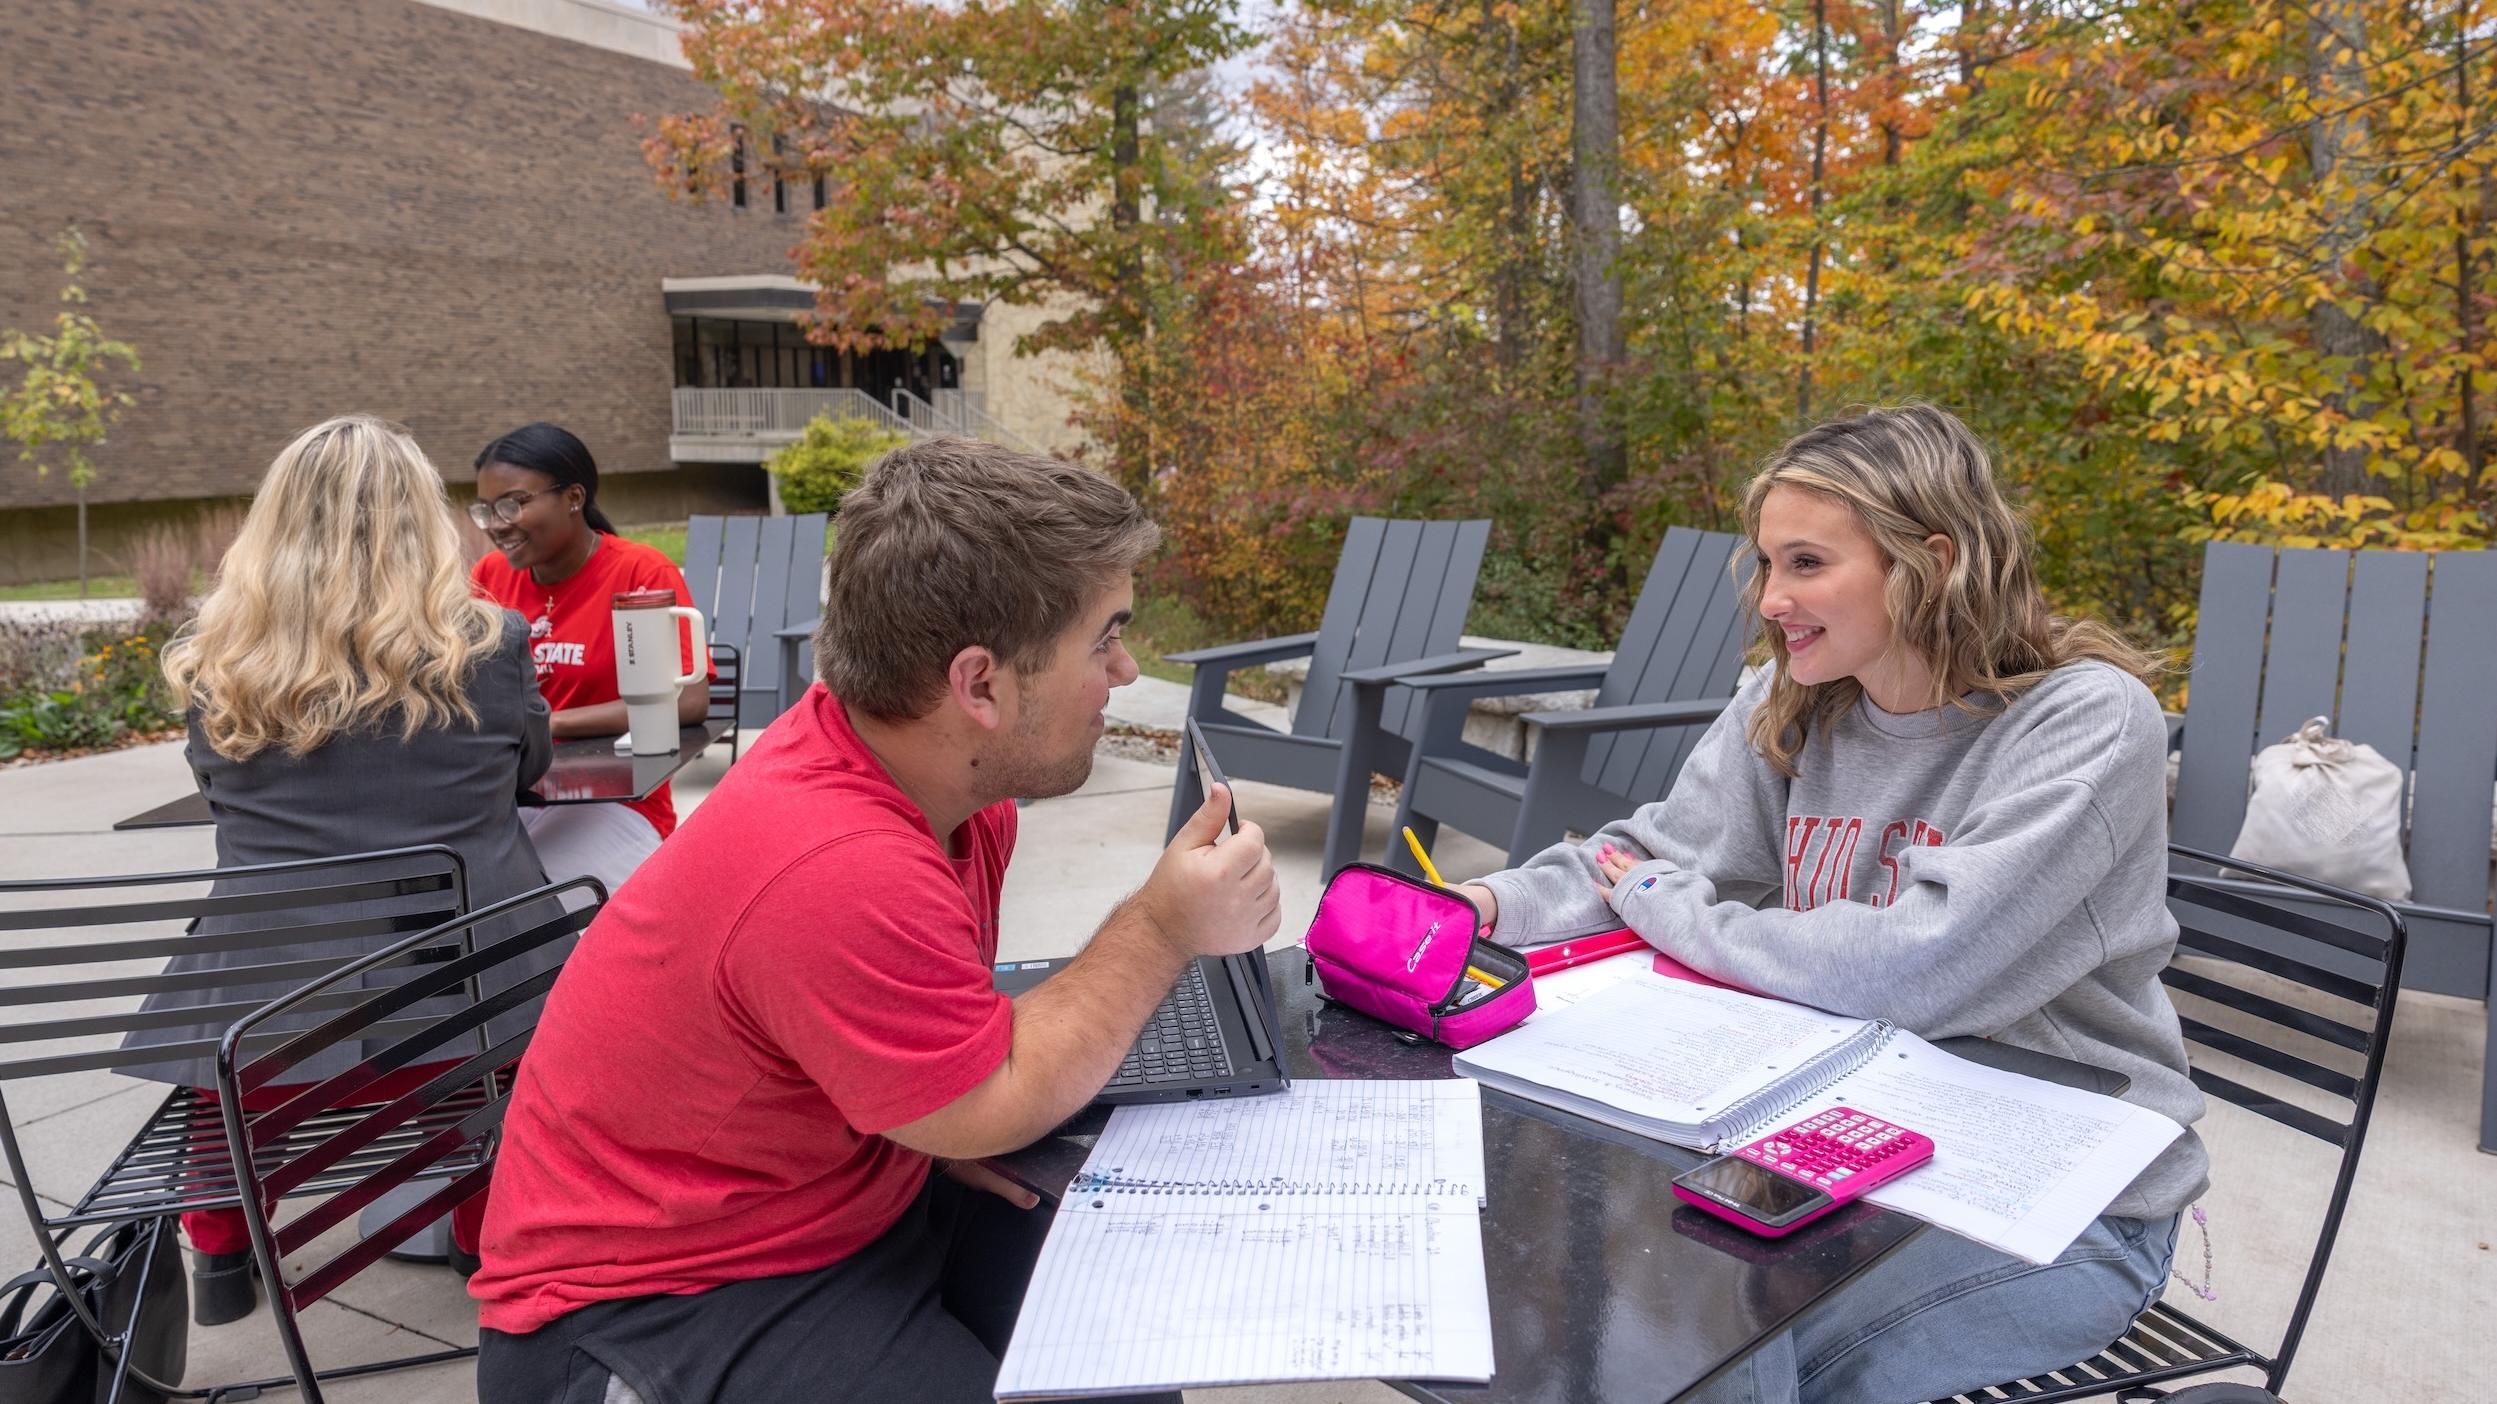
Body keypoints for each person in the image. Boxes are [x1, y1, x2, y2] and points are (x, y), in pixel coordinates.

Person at [468, 438, 1280, 1404]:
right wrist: (1161, 928)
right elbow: (990, 1098)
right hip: (647, 1305)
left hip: (820, 1212)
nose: (1124, 668)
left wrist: (926, 1128)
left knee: (1125, 1349)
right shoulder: (837, 859)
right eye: (1103, 636)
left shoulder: (934, 784)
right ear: (977, 684)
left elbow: (951, 1083)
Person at [1455, 404, 2208, 1404]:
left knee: (1714, 1364)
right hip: (1839, 1144)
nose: (1771, 599)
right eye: (1766, 566)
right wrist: (1477, 907)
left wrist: (1667, 908)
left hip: (2058, 1201)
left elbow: (1919, 970)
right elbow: (1650, 855)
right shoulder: (1795, 697)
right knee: (1611, 1299)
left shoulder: (2081, 722)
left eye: (1806, 563)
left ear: (1928, 561)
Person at [137, 415, 555, 1325]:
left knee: (244, 1012)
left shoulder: (221, 660)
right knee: (505, 1025)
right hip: (462, 1012)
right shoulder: (493, 644)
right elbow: (528, 773)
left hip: (275, 1027)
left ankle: (220, 1247)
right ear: (421, 522)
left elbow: (221, 801)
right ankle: (487, 1238)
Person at [468, 423, 710, 897]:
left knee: (528, 899)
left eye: (513, 504)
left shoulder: (639, 572)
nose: (497, 524)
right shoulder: (489, 576)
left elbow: (687, 701)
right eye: (486, 509)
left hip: (621, 804)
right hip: (512, 797)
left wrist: (549, 724)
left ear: (574, 497)